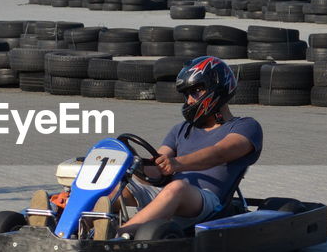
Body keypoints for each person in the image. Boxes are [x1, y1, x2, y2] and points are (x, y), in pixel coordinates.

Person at [110, 56, 262, 238]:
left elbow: (219, 153)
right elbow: (158, 167)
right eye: (187, 94)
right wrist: (132, 165)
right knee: (114, 189)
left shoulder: (245, 126)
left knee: (177, 188)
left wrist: (177, 164)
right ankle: (82, 228)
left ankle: (117, 235)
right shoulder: (181, 129)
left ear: (217, 87)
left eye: (196, 91)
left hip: (207, 201)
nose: (190, 100)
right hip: (167, 193)